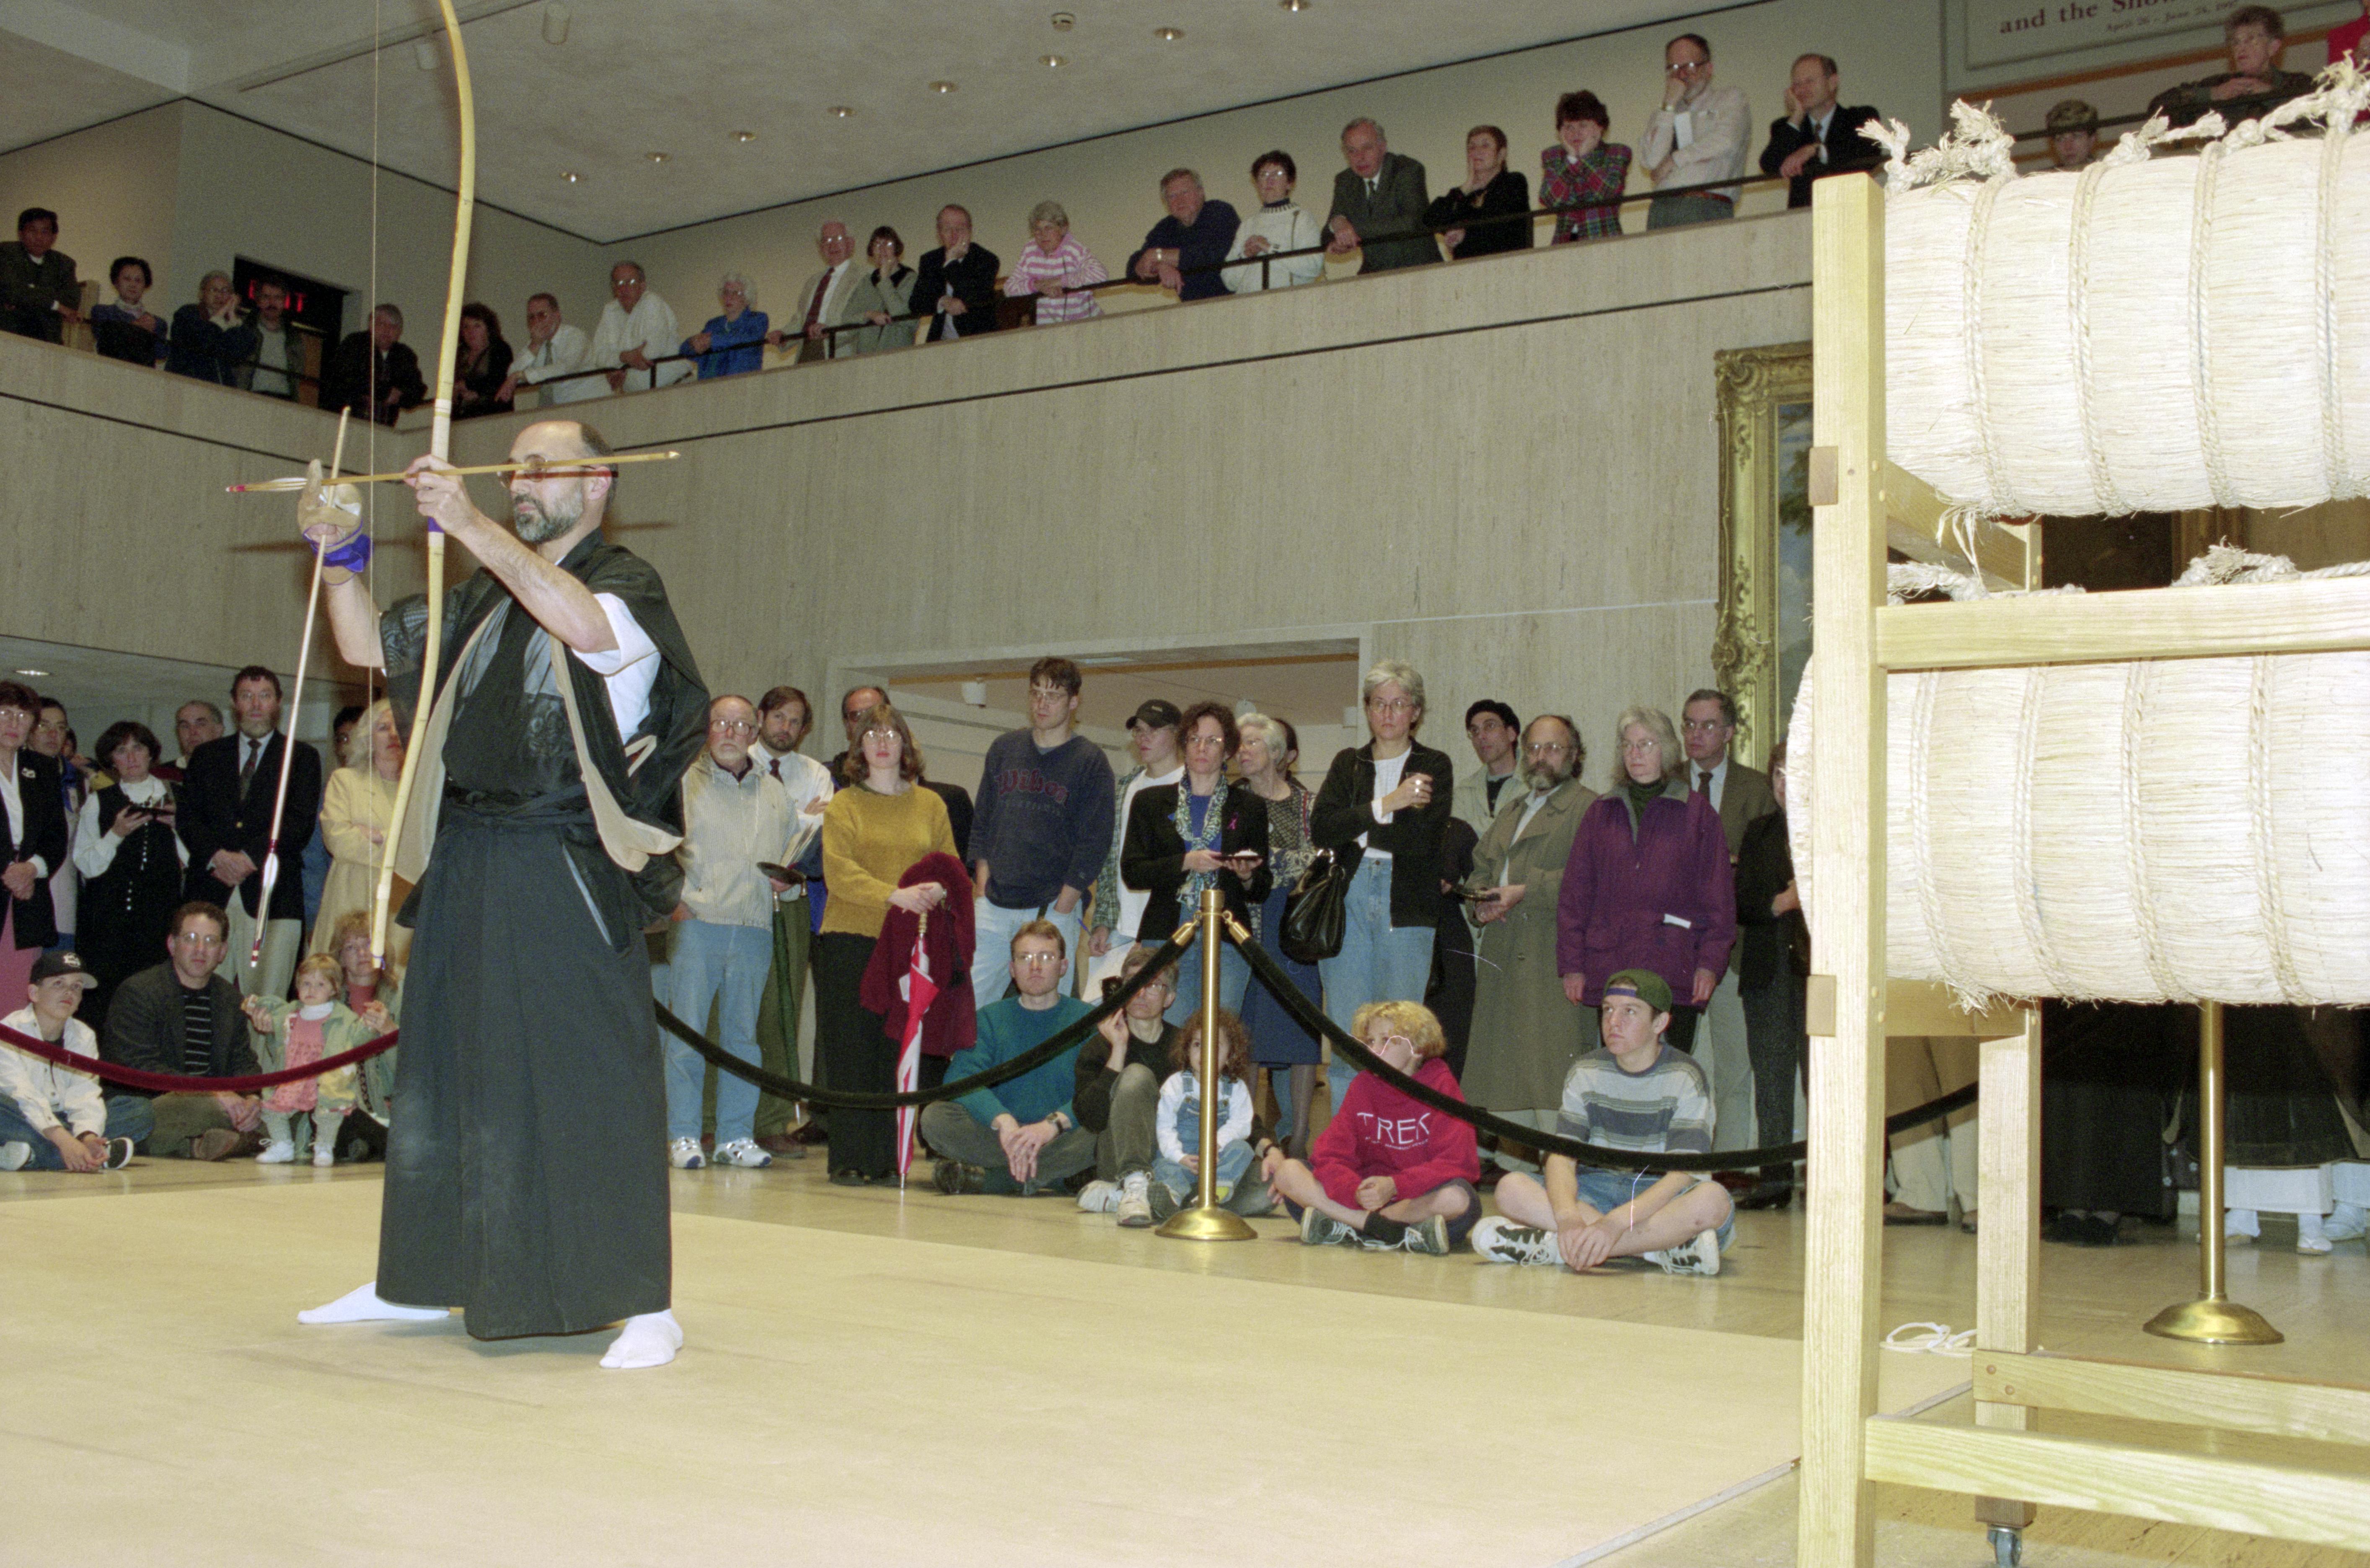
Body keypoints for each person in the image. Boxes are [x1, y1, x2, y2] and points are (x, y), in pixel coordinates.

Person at [303, 416, 710, 1367]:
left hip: (564, 849)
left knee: (588, 1075)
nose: (519, 481)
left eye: (539, 467)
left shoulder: (624, 583)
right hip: (469, 847)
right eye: (511, 469)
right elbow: (369, 647)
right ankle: (422, 1277)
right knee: (448, 1069)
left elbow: (582, 626)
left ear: (598, 481)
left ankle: (641, 1299)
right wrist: (340, 556)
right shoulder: (486, 593)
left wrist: (469, 521)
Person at [1473, 968, 1735, 1275]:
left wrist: (1614, 1224)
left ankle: (1558, 1248)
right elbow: (1562, 1157)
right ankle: (1659, 1249)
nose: (1613, 1022)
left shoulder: (1686, 1075)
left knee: (1712, 1201)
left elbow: (1682, 1173)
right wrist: (1568, 1218)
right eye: (1608, 1010)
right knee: (1510, 1188)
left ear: (1660, 1023)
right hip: (1594, 1190)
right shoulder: (1586, 1070)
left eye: (1630, 1012)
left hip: (1657, 1193)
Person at [817, 701, 957, 1185]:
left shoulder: (931, 805)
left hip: (908, 945)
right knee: (851, 1051)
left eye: (891, 734)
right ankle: (849, 1157)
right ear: (859, 747)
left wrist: (937, 888)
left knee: (894, 1051)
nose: (881, 742)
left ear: (905, 745)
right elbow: (839, 872)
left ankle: (887, 1158)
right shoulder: (844, 804)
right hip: (851, 940)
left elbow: (949, 866)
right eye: (872, 735)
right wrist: (894, 894)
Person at [662, 694, 799, 1171]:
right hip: (697, 923)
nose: (731, 733)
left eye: (741, 726)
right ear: (707, 729)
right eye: (721, 723)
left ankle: (735, 1136)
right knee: (687, 1036)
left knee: (743, 1040)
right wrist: (673, 901)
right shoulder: (681, 783)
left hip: (754, 928)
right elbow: (654, 850)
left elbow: (789, 856)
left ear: (754, 733)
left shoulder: (776, 793)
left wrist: (787, 884)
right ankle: (682, 1134)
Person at [1310, 661, 1455, 1107]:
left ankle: (1397, 1137)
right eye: (1378, 704)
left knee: (1403, 1035)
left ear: (1416, 712)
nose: (1388, 714)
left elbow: (1422, 841)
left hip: (1407, 903)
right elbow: (1322, 828)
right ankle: (1346, 1138)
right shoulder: (1348, 764)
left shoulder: (1434, 764)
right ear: (1368, 710)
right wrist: (1390, 803)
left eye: (1399, 704)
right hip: (1348, 898)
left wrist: (1357, 828)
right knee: (1348, 1032)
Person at [1555, 705, 1734, 1053]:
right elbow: (1575, 896)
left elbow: (1719, 902)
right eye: (1628, 745)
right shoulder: (1601, 813)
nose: (1635, 754)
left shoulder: (1697, 813)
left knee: (1671, 1071)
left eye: (1646, 745)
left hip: (1674, 967)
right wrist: (1573, 966)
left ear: (1667, 749)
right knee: (1618, 1068)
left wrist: (1709, 966)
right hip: (1612, 967)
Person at [1464, 715, 1599, 1175]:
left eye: (1554, 749)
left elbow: (1594, 878)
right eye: (1534, 748)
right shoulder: (1514, 809)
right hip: (1503, 952)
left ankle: (1563, 1180)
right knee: (1507, 1079)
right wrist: (1480, 900)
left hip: (1551, 956)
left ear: (1574, 756)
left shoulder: (1589, 808)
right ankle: (1518, 1180)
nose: (1542, 758)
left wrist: (1525, 890)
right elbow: (1481, 866)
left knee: (1550, 1076)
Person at [1257, 999, 1478, 1253]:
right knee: (1288, 1172)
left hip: (1413, 1199)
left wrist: (1394, 1186)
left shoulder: (1442, 1085)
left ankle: (1351, 1225)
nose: (1374, 1050)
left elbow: (1457, 1163)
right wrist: (1355, 1193)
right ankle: (1390, 1230)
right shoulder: (1363, 1085)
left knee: (1458, 1198)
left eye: (1387, 1041)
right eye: (1371, 1041)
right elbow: (1329, 1155)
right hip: (1361, 1200)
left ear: (1417, 1048)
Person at [966, 657, 1115, 1009]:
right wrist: (982, 888)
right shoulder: (1005, 749)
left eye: (1053, 696)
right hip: (995, 903)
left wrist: (1064, 906)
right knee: (969, 1006)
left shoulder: (1090, 761)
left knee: (1050, 1011)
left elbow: (1095, 842)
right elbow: (982, 823)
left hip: (1051, 906)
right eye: (1036, 694)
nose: (1042, 704)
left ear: (1074, 702)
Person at [922, 919, 1099, 1195]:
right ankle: (1055, 1177)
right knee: (935, 1118)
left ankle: (995, 1180)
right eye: (1025, 958)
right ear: (1012, 969)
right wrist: (1002, 1120)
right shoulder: (989, 1019)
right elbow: (960, 1077)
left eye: (1046, 957)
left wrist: (1052, 1125)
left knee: (1101, 1129)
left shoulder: (1089, 1019)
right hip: (1002, 1136)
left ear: (1063, 966)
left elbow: (1099, 1089)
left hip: (1060, 1134)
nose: (1035, 966)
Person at [178, 666, 321, 1002]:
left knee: (267, 1004)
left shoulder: (302, 757)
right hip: (211, 891)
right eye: (247, 696)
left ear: (278, 703)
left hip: (275, 896)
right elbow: (188, 819)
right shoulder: (207, 756)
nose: (256, 705)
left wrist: (248, 858)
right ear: (234, 703)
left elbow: (298, 823)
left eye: (264, 696)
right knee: (200, 996)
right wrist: (218, 856)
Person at [1121, 701, 1269, 1023]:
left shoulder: (1250, 807)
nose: (1202, 748)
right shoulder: (1151, 802)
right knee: (1172, 1033)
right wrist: (1186, 861)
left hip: (1229, 933)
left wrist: (1246, 875)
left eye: (1213, 741)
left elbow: (1262, 888)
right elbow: (1133, 872)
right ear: (1184, 745)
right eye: (1194, 739)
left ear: (1228, 751)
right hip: (1168, 931)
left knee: (1220, 1032)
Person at [1679, 688, 1776, 1156]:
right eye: (1689, 725)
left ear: (1730, 732)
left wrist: (1727, 865)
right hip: (1673, 945)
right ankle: (1670, 1157)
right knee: (1670, 1062)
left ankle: (1732, 1159)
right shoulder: (1666, 784)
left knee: (1734, 1063)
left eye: (1708, 726)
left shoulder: (1755, 788)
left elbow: (1766, 866)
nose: (1696, 735)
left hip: (1733, 946)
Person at [101, 901, 264, 1159]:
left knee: (283, 1109)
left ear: (223, 952)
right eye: (190, 939)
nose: (200, 949)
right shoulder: (139, 992)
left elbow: (244, 1062)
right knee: (200, 1108)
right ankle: (245, 1140)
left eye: (211, 941)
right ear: (172, 944)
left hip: (215, 1103)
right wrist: (212, 1093)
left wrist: (252, 1099)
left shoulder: (230, 999)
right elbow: (140, 1067)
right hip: (158, 1103)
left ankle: (200, 1144)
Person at [1232, 713, 1323, 1154]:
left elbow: (1320, 860)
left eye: (1251, 743)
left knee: (1301, 1030)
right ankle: (1250, 1136)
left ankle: (1300, 1137)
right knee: (1247, 1031)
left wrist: (1270, 865)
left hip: (1295, 926)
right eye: (1239, 743)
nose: (1242, 750)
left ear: (1275, 752)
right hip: (1246, 924)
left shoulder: (1308, 804)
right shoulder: (1231, 803)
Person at [748, 684, 831, 1153]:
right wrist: (800, 816)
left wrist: (796, 822)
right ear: (761, 717)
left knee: (781, 1012)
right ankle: (712, 1120)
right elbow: (758, 827)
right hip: (739, 900)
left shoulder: (815, 773)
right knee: (728, 1014)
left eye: (796, 721)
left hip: (792, 901)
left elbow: (820, 833)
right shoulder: (737, 762)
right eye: (779, 716)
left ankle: (772, 1122)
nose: (786, 727)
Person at [1731, 737, 1807, 1209]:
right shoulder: (1759, 832)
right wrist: (1782, 902)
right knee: (1772, 1080)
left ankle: (1839, 1177)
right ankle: (1774, 1181)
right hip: (1768, 972)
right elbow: (1742, 901)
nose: (1785, 784)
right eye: (1778, 774)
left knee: (1827, 1078)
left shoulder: (1839, 828)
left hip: (1821, 974)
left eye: (1795, 774)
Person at [73, 720, 186, 1022]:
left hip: (160, 920)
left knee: (154, 1001)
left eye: (138, 747)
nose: (132, 757)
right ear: (111, 760)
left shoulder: (176, 796)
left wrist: (180, 828)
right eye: (121, 751)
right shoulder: (98, 801)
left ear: (151, 753)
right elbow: (85, 865)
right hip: (108, 923)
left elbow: (196, 861)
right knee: (106, 1003)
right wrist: (116, 834)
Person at [0, 951, 141, 1172]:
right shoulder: (8, 1032)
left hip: (65, 1120)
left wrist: (88, 1136)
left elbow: (85, 1093)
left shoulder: (84, 1035)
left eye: (76, 987)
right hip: (23, 1116)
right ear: (34, 993)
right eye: (59, 984)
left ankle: (32, 1155)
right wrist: (65, 1141)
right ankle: (87, 1155)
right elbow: (22, 1095)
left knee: (139, 1110)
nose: (69, 993)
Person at [1071, 941, 1179, 1226]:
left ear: (1169, 998)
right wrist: (1118, 1050)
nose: (1141, 993)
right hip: (1118, 1159)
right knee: (1136, 1075)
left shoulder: (1185, 1045)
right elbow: (1092, 1120)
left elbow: (1226, 1098)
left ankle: (1126, 1196)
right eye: (1133, 983)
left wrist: (1267, 1148)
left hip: (1174, 1157)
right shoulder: (1100, 1047)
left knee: (1262, 1191)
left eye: (1152, 985)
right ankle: (1135, 1183)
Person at [1086, 699, 1183, 991]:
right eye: (1139, 730)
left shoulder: (1192, 787)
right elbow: (1111, 860)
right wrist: (1104, 921)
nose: (1144, 738)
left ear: (1177, 734)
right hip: (1120, 928)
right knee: (1101, 1009)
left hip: (1169, 928)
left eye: (1154, 730)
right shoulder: (1126, 787)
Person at [240, 953, 366, 1166]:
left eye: (320, 985)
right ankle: (282, 1145)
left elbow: (359, 1037)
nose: (311, 990)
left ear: (334, 989)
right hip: (294, 1074)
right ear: (298, 985)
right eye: (306, 984)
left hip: (326, 1077)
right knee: (273, 1105)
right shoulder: (290, 1013)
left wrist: (371, 1027)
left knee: (329, 1109)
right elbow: (272, 1012)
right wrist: (256, 1006)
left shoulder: (343, 1018)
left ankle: (324, 1146)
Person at [310, 700, 401, 960]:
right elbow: (338, 841)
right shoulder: (345, 780)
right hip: (350, 896)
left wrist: (377, 836)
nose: (393, 734)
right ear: (367, 738)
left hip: (398, 902)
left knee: (393, 975)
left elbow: (421, 847)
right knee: (342, 970)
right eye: (383, 728)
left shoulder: (419, 789)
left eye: (398, 727)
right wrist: (395, 844)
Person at [0, 682, 69, 1009]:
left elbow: (56, 837)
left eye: (23, 716)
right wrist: (9, 871)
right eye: (5, 714)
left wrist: (31, 869)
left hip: (28, 899)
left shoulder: (42, 769)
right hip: (10, 881)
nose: (15, 723)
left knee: (17, 996)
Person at [1151, 1007, 1257, 1212]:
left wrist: (1217, 1144)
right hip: (1182, 1160)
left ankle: (1214, 1191)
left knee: (1243, 1150)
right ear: (1187, 1050)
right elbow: (1164, 1128)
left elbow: (1242, 1125)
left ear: (1230, 1055)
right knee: (1163, 1165)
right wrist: (1179, 1157)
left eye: (1215, 1046)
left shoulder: (1236, 1088)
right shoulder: (1176, 1084)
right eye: (1198, 1044)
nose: (1205, 1052)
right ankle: (1173, 1197)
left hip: (1217, 1162)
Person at [1640, 33, 1750, 228]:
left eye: (1689, 66)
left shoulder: (1730, 99)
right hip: (1662, 209)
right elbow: (1652, 162)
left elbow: (1726, 141)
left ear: (1709, 69)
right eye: (1673, 68)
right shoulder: (1664, 112)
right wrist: (1669, 106)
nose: (1681, 75)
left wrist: (1674, 160)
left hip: (1707, 205)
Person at [2147, 6, 2315, 127]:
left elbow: (2320, 118)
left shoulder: (2298, 84)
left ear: (2273, 47)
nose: (2241, 48)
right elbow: (2156, 111)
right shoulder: (2218, 85)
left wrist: (2272, 95)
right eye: (2235, 42)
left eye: (2251, 40)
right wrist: (2214, 94)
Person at [1757, 54, 1884, 209]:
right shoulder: (1787, 127)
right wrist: (1797, 116)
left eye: (1810, 81)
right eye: (1797, 84)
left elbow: (1868, 155)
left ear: (1832, 83)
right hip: (1803, 217)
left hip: (1851, 211)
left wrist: (1816, 150)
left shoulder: (1860, 118)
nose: (1802, 90)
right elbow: (1770, 165)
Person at [1324, 119, 1434, 273]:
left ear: (1383, 147)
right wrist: (1337, 224)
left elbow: (1411, 222)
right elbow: (1326, 235)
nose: (1360, 157)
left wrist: (1351, 230)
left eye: (1367, 148)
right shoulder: (1346, 181)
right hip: (1375, 273)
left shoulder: (1407, 170)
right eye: (1352, 151)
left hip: (1419, 269)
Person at [1127, 169, 1241, 302]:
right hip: (1192, 307)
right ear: (1166, 203)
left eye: (1185, 192)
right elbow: (1133, 268)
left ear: (1201, 193)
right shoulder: (1166, 227)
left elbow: (1211, 255)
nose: (1180, 201)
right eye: (1172, 196)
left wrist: (1159, 256)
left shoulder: (1220, 211)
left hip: (1237, 301)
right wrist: (1160, 266)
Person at [1223, 150, 1325, 293]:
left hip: (1289, 300)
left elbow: (1313, 266)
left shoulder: (1302, 218)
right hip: (1248, 303)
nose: (1269, 180)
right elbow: (1229, 281)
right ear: (1257, 184)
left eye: (1277, 174)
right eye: (1263, 175)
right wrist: (1246, 256)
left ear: (1290, 183)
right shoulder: (1248, 225)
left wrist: (1270, 248)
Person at [26, 699, 81, 960]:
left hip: (64, 906)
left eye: (60, 728)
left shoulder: (77, 782)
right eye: (44, 726)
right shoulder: (12, 778)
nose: (53, 734)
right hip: (24, 903)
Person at [1425, 125, 1532, 259]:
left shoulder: (1514, 182)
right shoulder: (1463, 196)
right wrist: (1467, 187)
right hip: (1467, 269)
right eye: (1472, 147)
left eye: (1485, 146)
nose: (1477, 152)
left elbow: (1498, 226)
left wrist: (1465, 234)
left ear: (1501, 154)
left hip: (1507, 264)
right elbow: (1430, 219)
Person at [1540, 91, 1631, 244]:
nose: (1575, 133)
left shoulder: (1617, 152)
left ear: (1599, 128)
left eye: (1583, 125)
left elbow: (1609, 192)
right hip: (1564, 243)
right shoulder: (1552, 156)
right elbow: (1550, 199)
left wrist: (1583, 159)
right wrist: (1571, 159)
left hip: (1604, 240)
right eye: (1569, 127)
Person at [587, 261, 692, 393]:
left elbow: (653, 352)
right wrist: (624, 357)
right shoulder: (610, 311)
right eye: (619, 283)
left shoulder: (652, 303)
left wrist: (619, 366)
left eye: (630, 282)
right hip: (638, 396)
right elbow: (598, 356)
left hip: (676, 388)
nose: (624, 289)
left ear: (643, 286)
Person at [1004, 201, 1108, 325]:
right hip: (1048, 328)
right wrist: (1037, 286)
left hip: (1086, 325)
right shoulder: (1029, 251)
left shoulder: (1073, 249)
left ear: (1063, 229)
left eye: (1049, 228)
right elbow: (1009, 288)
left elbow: (1101, 275)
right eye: (1037, 230)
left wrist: (1060, 281)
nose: (1043, 235)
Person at [321, 304, 426, 426]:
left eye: (393, 327)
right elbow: (347, 378)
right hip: (347, 422)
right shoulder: (355, 344)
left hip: (384, 427)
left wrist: (400, 397)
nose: (387, 331)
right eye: (381, 324)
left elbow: (417, 389)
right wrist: (385, 393)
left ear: (399, 332)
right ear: (371, 326)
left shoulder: (404, 355)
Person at [771, 221, 860, 362]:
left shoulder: (862, 277)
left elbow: (860, 317)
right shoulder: (813, 281)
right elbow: (801, 319)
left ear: (850, 243)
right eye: (826, 240)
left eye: (838, 239)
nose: (832, 245)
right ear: (821, 248)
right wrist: (784, 335)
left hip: (839, 352)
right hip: (806, 351)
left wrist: (829, 331)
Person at [910, 206, 1002, 343]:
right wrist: (943, 301)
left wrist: (951, 262)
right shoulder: (930, 260)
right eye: (948, 229)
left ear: (970, 231)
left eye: (960, 229)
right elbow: (916, 303)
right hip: (942, 342)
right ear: (939, 233)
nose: (954, 235)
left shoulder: (987, 259)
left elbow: (971, 297)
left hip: (979, 340)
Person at [499, 292, 596, 406]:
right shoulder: (536, 343)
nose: (537, 322)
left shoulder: (576, 337)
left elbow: (564, 369)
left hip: (589, 405)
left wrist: (521, 375)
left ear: (557, 316)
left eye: (542, 315)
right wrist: (535, 345)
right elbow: (512, 374)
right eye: (532, 317)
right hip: (554, 410)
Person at [165, 272, 258, 386]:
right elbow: (204, 341)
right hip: (186, 385)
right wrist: (220, 315)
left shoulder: (231, 324)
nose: (219, 296)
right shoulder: (188, 314)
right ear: (202, 294)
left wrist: (232, 317)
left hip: (221, 390)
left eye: (225, 291)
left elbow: (242, 351)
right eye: (214, 290)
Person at [0, 207, 78, 343]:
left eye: (45, 232)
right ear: (20, 234)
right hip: (8, 336)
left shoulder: (65, 264)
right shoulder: (6, 253)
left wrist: (29, 294)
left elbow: (71, 303)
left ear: (54, 237)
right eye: (32, 231)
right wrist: (56, 306)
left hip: (48, 340)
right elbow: (13, 291)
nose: (39, 237)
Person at [839, 227, 917, 356]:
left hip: (898, 355)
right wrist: (868, 315)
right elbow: (846, 319)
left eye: (888, 244)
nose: (882, 249)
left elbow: (905, 318)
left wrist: (885, 280)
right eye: (877, 245)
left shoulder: (911, 279)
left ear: (897, 249)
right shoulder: (866, 283)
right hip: (866, 357)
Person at [1452, 699, 1523, 834]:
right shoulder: (1464, 792)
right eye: (1475, 731)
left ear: (1511, 734)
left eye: (1490, 726)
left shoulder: (1534, 785)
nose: (1481, 736)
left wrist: (1473, 827)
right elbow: (1456, 837)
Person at [683, 274, 768, 380]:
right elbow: (685, 351)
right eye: (726, 292)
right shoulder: (713, 324)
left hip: (740, 383)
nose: (729, 297)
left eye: (736, 293)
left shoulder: (758, 319)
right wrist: (693, 343)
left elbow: (746, 339)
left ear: (747, 299)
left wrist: (712, 341)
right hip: (707, 385)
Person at [88, 256, 169, 365]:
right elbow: (106, 343)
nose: (133, 285)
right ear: (116, 283)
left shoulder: (158, 323)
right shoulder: (102, 312)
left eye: (138, 280)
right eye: (127, 279)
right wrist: (135, 327)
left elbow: (161, 354)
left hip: (143, 374)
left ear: (145, 286)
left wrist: (153, 332)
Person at [239, 280, 305, 400]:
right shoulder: (244, 329)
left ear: (284, 302)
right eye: (266, 297)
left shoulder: (294, 337)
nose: (272, 303)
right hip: (250, 398)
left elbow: (298, 372)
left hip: (284, 401)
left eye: (277, 298)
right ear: (258, 301)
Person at [452, 302, 514, 417]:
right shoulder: (458, 355)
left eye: (477, 326)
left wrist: (466, 386)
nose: (471, 332)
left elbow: (498, 381)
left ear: (488, 329)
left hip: (494, 416)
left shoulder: (500, 349)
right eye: (466, 327)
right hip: (461, 419)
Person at [167, 700, 223, 779]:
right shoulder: (163, 775)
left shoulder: (234, 772)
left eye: (200, 725)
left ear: (218, 731)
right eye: (185, 726)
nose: (192, 732)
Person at [2044, 99, 2099, 173]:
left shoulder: (2109, 175)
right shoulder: (2045, 178)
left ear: (2092, 139)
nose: (2068, 147)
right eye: (2060, 139)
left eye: (2076, 136)